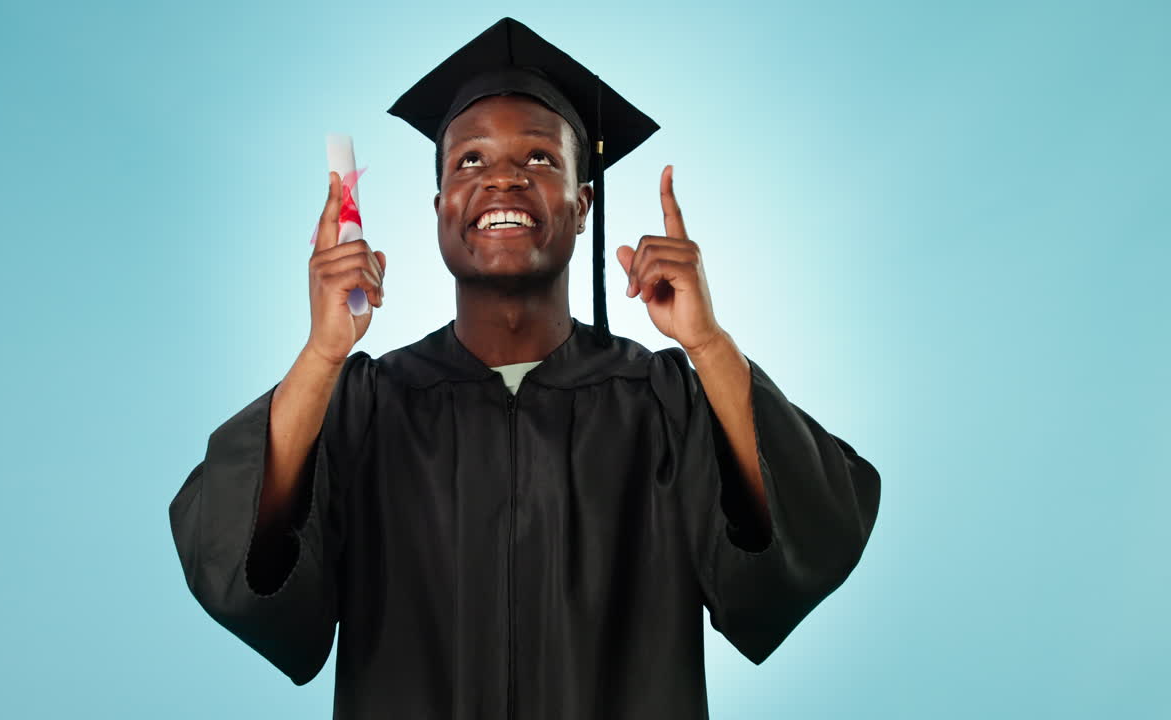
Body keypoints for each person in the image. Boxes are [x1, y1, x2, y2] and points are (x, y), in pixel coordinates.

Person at [169, 17, 881, 720]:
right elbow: (234, 567)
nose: (503, 178)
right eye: (469, 162)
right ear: (440, 208)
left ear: (583, 204)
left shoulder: (661, 402)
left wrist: (709, 343)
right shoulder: (369, 404)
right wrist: (323, 354)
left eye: (540, 158)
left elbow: (814, 536)